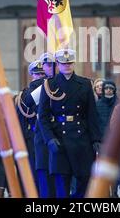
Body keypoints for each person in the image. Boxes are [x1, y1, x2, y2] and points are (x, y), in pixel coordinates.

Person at [38, 49, 101, 198]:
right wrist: (49, 138)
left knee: (84, 183)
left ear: (73, 63)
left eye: (69, 63)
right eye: (63, 63)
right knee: (61, 184)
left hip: (81, 140)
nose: (67, 65)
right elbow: (43, 116)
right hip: (59, 139)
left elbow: (91, 115)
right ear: (58, 64)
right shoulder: (50, 85)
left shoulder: (85, 84)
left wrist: (96, 139)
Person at [16, 60, 45, 191]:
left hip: (46, 135)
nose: (40, 77)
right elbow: (20, 118)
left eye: (42, 74)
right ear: (32, 75)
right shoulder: (24, 94)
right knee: (33, 167)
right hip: (31, 134)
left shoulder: (52, 90)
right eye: (37, 74)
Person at [34, 52, 56, 198]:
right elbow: (28, 103)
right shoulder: (37, 86)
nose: (48, 68)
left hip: (59, 132)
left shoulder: (60, 83)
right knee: (43, 172)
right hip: (42, 134)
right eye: (46, 65)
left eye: (51, 65)